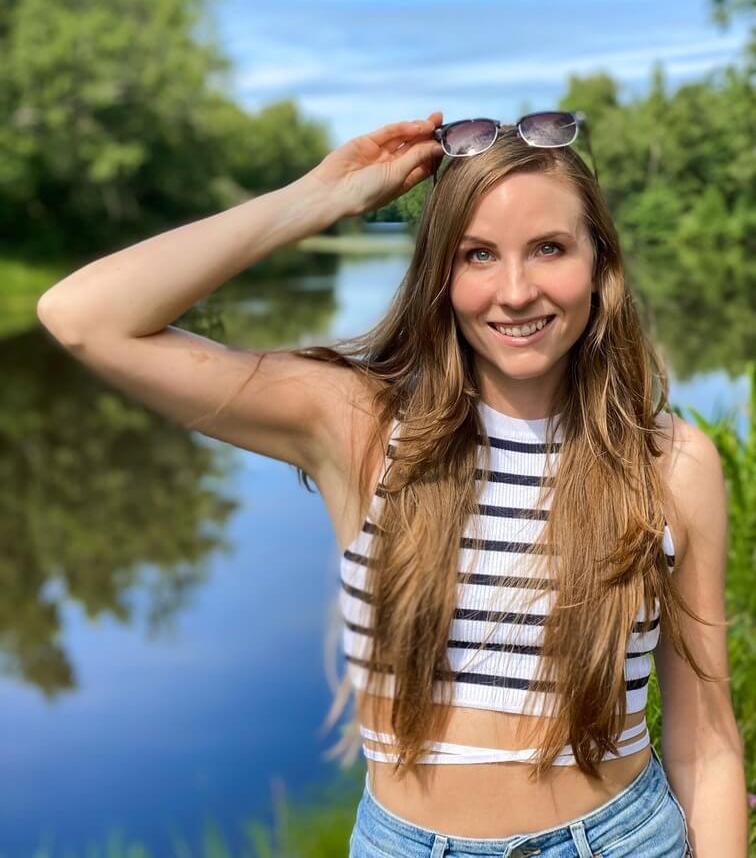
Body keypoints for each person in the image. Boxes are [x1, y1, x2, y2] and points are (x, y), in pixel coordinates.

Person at [36, 111, 747, 857]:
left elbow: (707, 742)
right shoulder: (359, 425)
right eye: (477, 255)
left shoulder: (673, 462)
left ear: (600, 264)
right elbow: (84, 317)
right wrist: (317, 199)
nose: (515, 291)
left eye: (549, 248)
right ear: (440, 275)